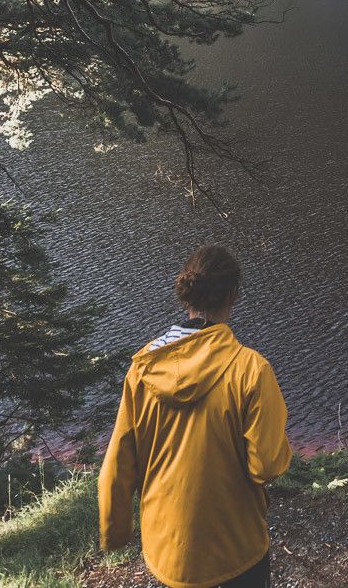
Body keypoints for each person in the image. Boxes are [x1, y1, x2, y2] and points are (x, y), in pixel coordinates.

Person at [98, 245, 292, 588]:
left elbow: (119, 460)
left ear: (188, 295)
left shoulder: (143, 368)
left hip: (168, 549)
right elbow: (267, 465)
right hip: (237, 550)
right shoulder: (251, 370)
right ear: (233, 295)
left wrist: (115, 532)